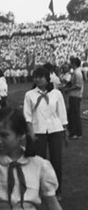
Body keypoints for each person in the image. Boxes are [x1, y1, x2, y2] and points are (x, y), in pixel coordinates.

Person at [23, 66, 68, 196]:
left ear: (47, 79)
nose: (37, 79)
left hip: (55, 130)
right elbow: (28, 115)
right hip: (38, 131)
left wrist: (65, 130)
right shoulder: (29, 95)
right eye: (35, 77)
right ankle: (38, 189)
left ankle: (56, 190)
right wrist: (30, 131)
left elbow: (62, 113)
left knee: (56, 161)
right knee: (38, 161)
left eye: (40, 77)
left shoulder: (56, 94)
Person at [64, 56, 84, 140]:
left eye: (71, 63)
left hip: (75, 95)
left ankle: (76, 133)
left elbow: (78, 86)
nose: (70, 64)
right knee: (73, 114)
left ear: (74, 64)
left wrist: (68, 89)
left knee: (75, 115)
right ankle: (75, 132)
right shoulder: (76, 72)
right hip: (74, 95)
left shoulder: (77, 73)